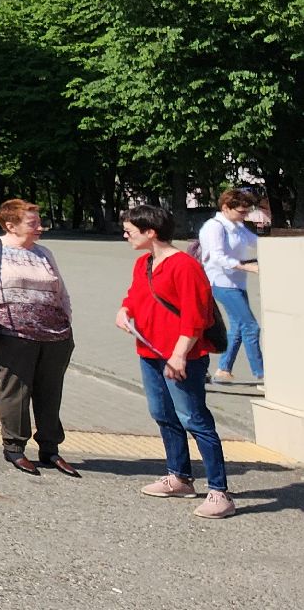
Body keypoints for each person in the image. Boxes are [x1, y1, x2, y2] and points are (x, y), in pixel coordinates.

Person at [117, 202, 234, 519]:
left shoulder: (184, 266)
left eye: (130, 230)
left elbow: (196, 317)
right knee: (163, 414)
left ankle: (219, 491)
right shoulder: (144, 263)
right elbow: (135, 295)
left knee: (194, 419)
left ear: (150, 231)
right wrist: (125, 310)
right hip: (150, 352)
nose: (125, 235)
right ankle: (179, 477)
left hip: (181, 356)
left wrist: (179, 355)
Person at [0, 198, 78, 477]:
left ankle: (50, 448)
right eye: (32, 222)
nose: (40, 227)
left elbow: (60, 289)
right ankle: (14, 447)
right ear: (10, 225)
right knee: (16, 390)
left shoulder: (44, 252)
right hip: (12, 332)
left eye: (38, 221)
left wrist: (68, 319)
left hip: (55, 334)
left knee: (50, 391)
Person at [195, 188, 263, 385]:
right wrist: (246, 266)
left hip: (237, 282)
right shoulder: (214, 227)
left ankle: (224, 370)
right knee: (251, 326)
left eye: (247, 212)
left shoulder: (237, 225)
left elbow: (257, 242)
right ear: (226, 207)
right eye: (242, 211)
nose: (245, 215)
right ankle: (262, 374)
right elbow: (217, 257)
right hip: (221, 282)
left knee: (239, 326)